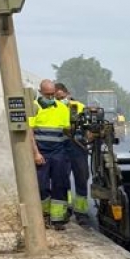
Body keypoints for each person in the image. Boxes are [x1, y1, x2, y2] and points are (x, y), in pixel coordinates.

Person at [28, 79, 72, 228]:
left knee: (60, 185)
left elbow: (66, 131)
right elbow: (29, 132)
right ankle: (45, 215)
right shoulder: (33, 108)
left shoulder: (62, 108)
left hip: (59, 152)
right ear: (40, 92)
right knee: (41, 186)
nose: (50, 97)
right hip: (42, 153)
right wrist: (35, 154)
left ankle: (58, 219)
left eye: (52, 94)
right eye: (47, 94)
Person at [55, 81, 91, 224]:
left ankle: (81, 213)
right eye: (57, 98)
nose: (59, 100)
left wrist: (89, 135)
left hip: (78, 147)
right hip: (62, 148)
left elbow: (88, 128)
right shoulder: (54, 108)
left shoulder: (80, 107)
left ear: (67, 93)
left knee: (81, 178)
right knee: (62, 180)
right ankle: (66, 209)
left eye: (61, 96)